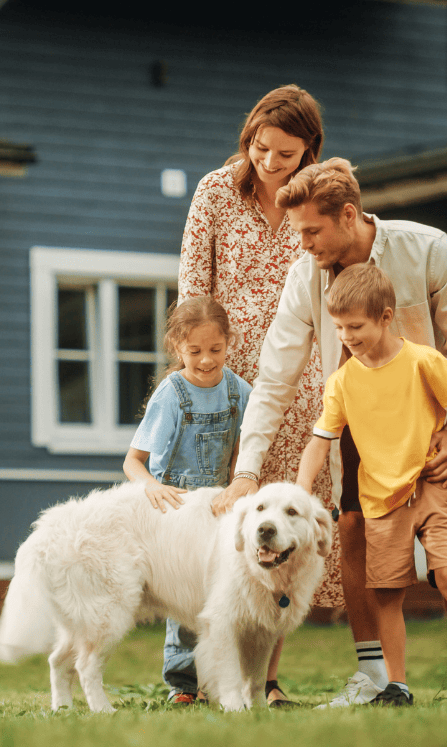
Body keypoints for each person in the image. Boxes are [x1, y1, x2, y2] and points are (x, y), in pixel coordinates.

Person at [219, 157, 447, 706]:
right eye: (297, 232)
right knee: (351, 533)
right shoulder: (306, 277)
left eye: (311, 231)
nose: (303, 244)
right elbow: (274, 378)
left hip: (438, 421)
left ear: (348, 215)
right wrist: (248, 471)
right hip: (358, 426)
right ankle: (375, 675)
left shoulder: (428, 248)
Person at [177, 84, 344, 707]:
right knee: (210, 517)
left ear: (310, 151)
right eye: (260, 147)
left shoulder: (317, 201)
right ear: (247, 137)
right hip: (223, 379)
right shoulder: (215, 192)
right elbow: (193, 286)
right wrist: (194, 379)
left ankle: (265, 680)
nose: (270, 163)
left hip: (299, 384)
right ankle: (188, 676)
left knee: (281, 533)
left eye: (285, 153)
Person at [297, 263, 447, 705]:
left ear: (386, 317)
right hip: (380, 500)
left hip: (432, 487)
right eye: (339, 328)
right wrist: (300, 488)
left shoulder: (424, 361)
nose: (347, 336)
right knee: (387, 592)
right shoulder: (343, 382)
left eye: (356, 326)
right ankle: (397, 684)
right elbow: (319, 440)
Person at [123, 296, 251, 705]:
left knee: (219, 592)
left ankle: (221, 679)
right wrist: (151, 487)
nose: (207, 360)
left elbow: (246, 449)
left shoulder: (239, 391)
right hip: (175, 509)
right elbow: (133, 461)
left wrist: (237, 487)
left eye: (215, 349)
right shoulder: (171, 393)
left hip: (219, 506)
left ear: (229, 343)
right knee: (184, 594)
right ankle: (183, 684)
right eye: (194, 351)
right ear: (177, 347)